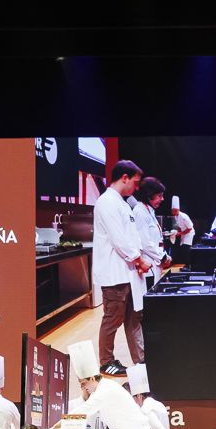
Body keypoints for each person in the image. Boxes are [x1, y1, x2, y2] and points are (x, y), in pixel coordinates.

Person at [93, 158, 150, 377]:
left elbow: (131, 237)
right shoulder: (107, 202)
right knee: (113, 319)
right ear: (124, 178)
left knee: (133, 318)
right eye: (135, 182)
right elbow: (119, 240)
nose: (136, 188)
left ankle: (141, 359)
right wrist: (139, 260)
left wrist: (138, 260)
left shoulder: (122, 203)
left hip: (128, 273)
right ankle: (106, 362)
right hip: (114, 274)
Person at [67, 340, 153, 429]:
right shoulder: (100, 389)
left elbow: (85, 410)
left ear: (92, 379)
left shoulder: (105, 389)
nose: (83, 388)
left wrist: (59, 424)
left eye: (83, 383)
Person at [133, 176, 173, 287]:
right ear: (149, 195)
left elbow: (155, 240)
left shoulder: (149, 211)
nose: (162, 199)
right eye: (159, 196)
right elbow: (145, 243)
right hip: (147, 265)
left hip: (155, 263)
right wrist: (163, 257)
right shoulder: (140, 212)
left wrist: (164, 256)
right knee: (149, 294)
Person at [127, 364, 171, 429]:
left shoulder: (146, 408)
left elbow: (158, 428)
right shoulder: (158, 404)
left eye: (133, 398)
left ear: (139, 396)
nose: (134, 402)